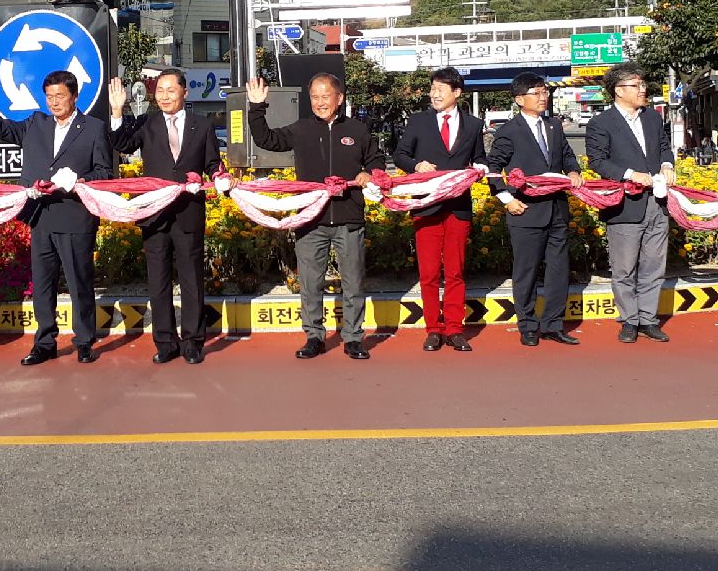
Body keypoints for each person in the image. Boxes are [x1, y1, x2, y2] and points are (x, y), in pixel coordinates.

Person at [0, 69, 113, 365]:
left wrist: (80, 180)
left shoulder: (94, 128)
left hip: (74, 217)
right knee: (43, 285)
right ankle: (45, 342)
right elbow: (3, 130)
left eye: (60, 96)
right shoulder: (36, 123)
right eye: (49, 96)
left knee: (78, 282)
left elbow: (105, 173)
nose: (54, 102)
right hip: (41, 216)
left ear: (74, 96)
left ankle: (84, 340)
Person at [246, 73, 383, 360]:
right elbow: (266, 139)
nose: (320, 102)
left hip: (349, 218)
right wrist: (257, 107)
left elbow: (376, 160)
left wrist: (368, 174)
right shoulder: (301, 129)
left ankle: (353, 338)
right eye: (315, 98)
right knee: (310, 282)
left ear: (339, 98)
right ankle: (314, 337)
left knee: (353, 281)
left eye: (326, 96)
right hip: (310, 219)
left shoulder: (358, 130)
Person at [107, 71, 221, 364]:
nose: (165, 96)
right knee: (158, 280)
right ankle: (166, 342)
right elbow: (123, 144)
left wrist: (219, 176)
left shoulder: (202, 125)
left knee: (192, 279)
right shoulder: (148, 123)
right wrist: (118, 111)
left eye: (171, 90)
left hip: (188, 212)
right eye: (160, 91)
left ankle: (193, 341)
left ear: (184, 92)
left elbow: (212, 163)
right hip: (155, 213)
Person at [392, 67, 486, 352]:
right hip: (427, 205)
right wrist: (416, 165)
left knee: (455, 271)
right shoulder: (419, 122)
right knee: (430, 272)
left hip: (458, 207)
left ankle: (455, 329)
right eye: (433, 88)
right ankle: (433, 328)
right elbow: (400, 154)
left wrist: (480, 169)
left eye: (441, 89)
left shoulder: (473, 125)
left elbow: (480, 158)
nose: (434, 93)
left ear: (457, 93)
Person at [487, 73, 584, 347]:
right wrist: (507, 200)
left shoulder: (553, 126)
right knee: (526, 271)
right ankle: (528, 325)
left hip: (556, 209)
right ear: (520, 99)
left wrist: (574, 171)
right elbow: (493, 171)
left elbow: (566, 155)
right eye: (537, 92)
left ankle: (553, 324)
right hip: (525, 211)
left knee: (558, 269)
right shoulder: (509, 131)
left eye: (545, 92)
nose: (544, 97)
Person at [585, 63, 675, 344]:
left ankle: (648, 319)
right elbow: (598, 161)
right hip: (624, 203)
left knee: (654, 264)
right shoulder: (601, 124)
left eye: (643, 84)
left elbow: (663, 146)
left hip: (657, 202)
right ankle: (629, 319)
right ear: (618, 91)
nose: (643, 89)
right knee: (624, 268)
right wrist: (629, 174)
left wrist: (667, 163)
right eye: (636, 85)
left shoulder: (652, 118)